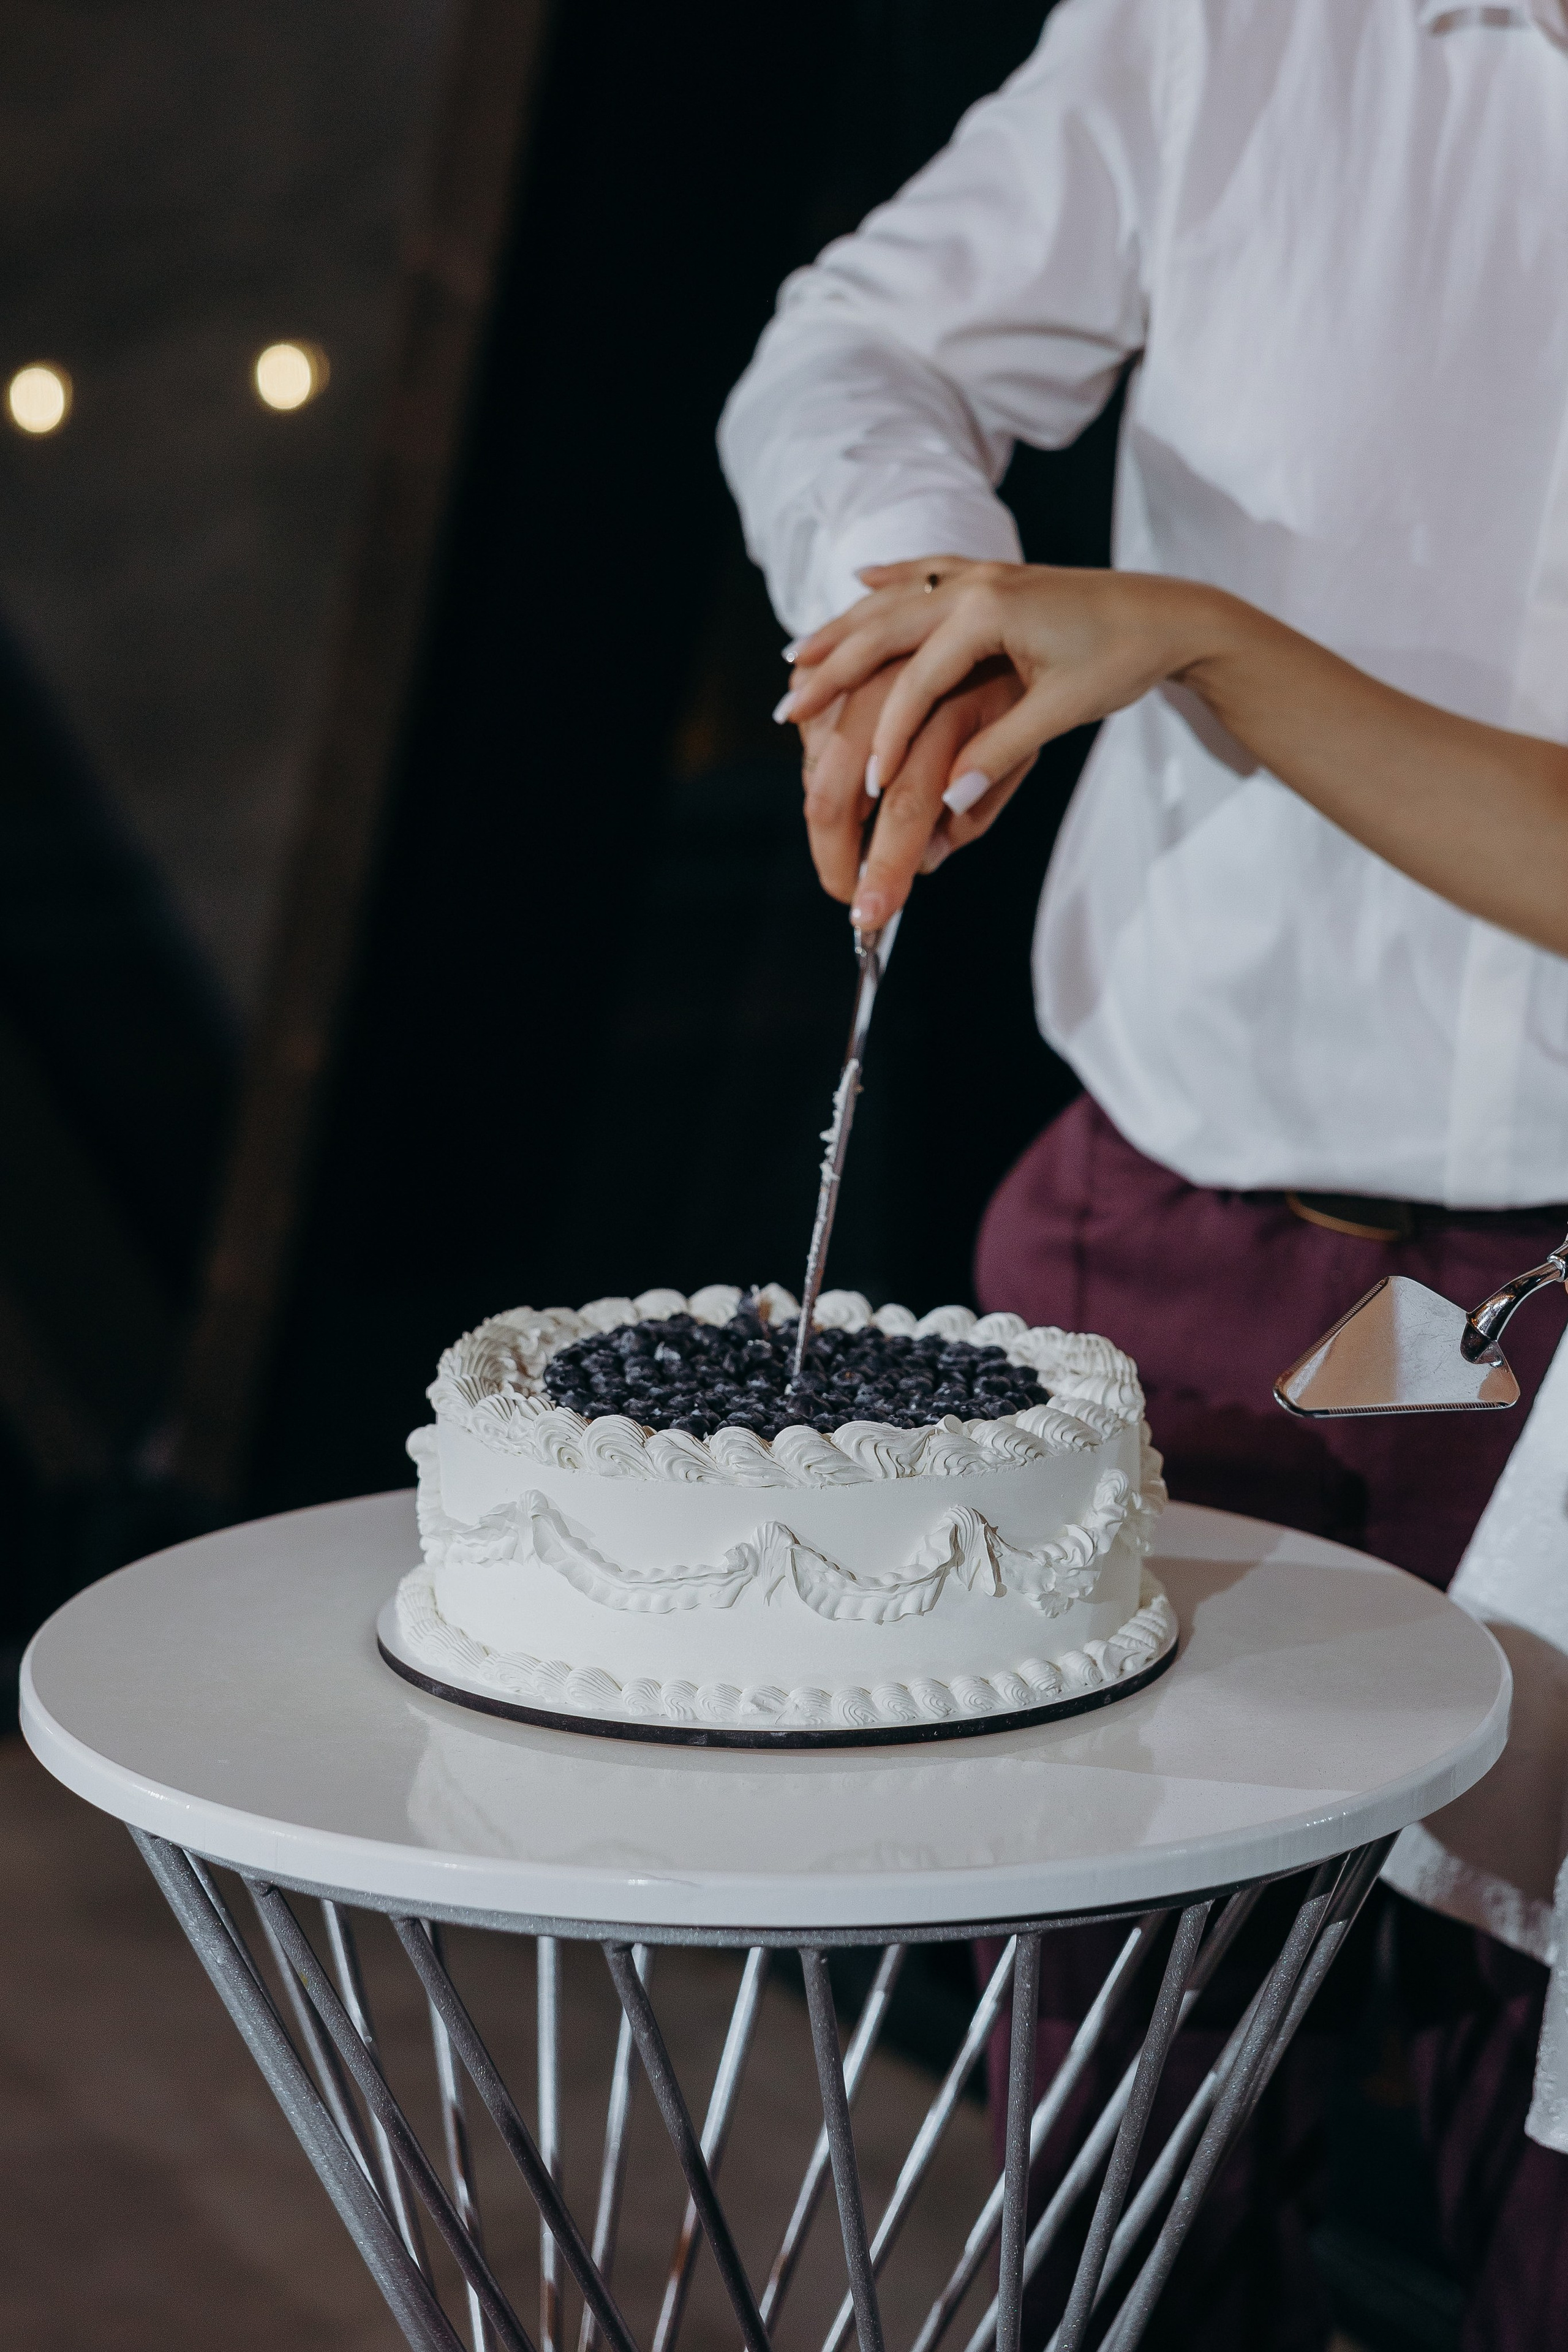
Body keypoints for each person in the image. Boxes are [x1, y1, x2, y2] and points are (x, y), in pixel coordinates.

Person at [720, 4, 1568, 2344]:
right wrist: (916, 601)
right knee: (1125, 2155)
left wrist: (1198, 643)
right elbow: (862, 335)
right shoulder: (1231, 25)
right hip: (1180, 1253)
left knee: (1550, 2199)